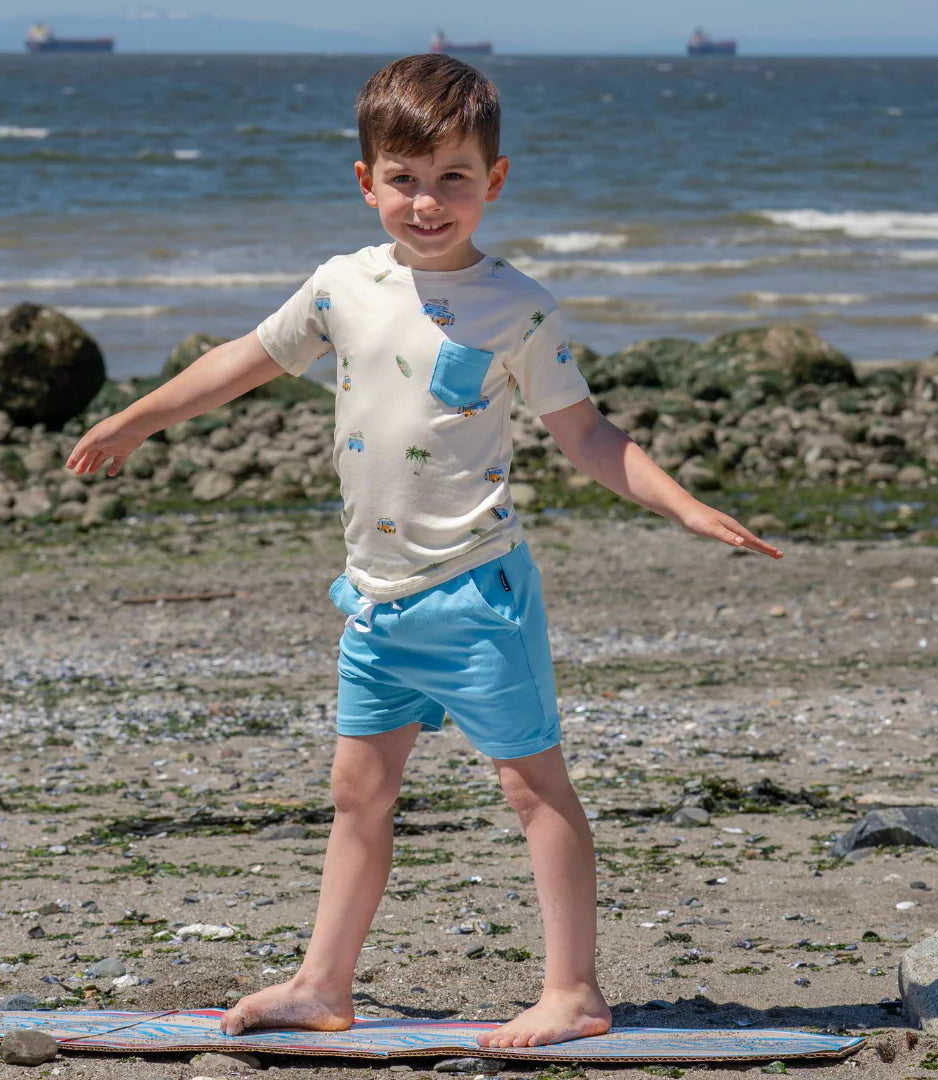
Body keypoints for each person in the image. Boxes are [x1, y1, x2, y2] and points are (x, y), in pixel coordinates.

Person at [66, 53, 783, 1049]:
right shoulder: (339, 286)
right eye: (403, 179)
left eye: (453, 179)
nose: (427, 202)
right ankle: (323, 983)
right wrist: (137, 421)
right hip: (374, 600)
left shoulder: (518, 306)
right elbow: (243, 359)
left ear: (494, 181)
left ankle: (572, 989)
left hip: (478, 593)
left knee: (534, 788)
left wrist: (686, 508)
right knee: (357, 793)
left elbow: (588, 435)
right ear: (366, 182)